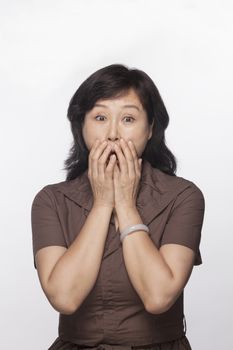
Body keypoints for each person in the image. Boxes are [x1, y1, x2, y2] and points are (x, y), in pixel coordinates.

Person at [31, 63, 205, 350]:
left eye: (127, 119)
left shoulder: (183, 196)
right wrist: (102, 204)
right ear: (81, 127)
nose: (112, 134)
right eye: (100, 117)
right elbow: (64, 297)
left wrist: (125, 204)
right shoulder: (51, 200)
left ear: (150, 129)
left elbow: (158, 296)